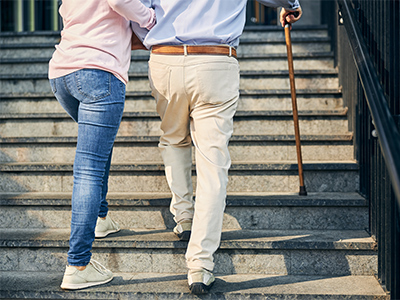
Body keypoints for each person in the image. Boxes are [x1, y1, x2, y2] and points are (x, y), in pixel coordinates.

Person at [132, 0, 302, 294]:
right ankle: (199, 264)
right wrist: (290, 4)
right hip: (215, 59)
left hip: (165, 58)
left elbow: (138, 7)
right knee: (212, 163)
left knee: (173, 138)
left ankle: (184, 215)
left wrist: (150, 31)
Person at [48, 0, 156, 290]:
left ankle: (101, 217)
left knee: (95, 152)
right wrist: (151, 19)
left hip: (62, 74)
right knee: (89, 169)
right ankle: (78, 264)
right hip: (99, 73)